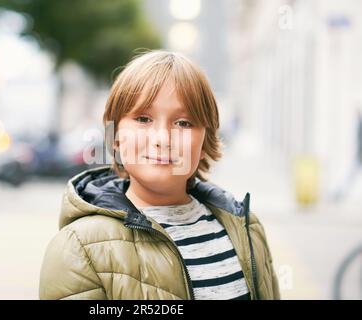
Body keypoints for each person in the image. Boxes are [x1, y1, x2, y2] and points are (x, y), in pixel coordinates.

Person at [39, 50, 280, 300]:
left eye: (183, 123)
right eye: (143, 119)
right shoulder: (79, 249)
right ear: (115, 135)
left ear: (205, 139)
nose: (162, 139)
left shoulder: (246, 228)